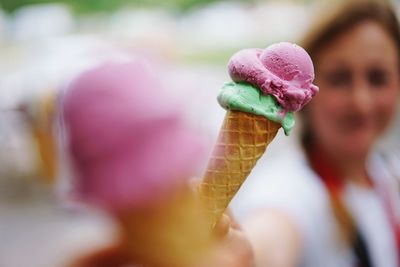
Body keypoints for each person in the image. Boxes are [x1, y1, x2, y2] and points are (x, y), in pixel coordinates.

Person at [232, 0, 400, 266]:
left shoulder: (389, 174)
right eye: (339, 78)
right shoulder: (290, 188)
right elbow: (267, 240)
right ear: (305, 93)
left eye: (377, 78)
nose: (361, 102)